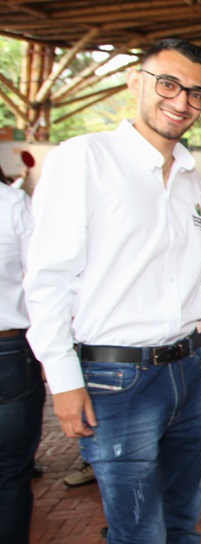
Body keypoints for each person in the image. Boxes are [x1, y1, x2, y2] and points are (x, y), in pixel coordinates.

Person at [24, 38, 201, 544]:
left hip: (189, 372)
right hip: (117, 378)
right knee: (138, 533)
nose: (181, 101)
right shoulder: (84, 158)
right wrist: (62, 378)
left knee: (182, 525)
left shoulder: (190, 176)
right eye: (168, 84)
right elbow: (46, 280)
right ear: (137, 81)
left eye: (197, 93)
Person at [0, 169, 43, 544]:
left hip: (11, 353)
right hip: (9, 350)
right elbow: (40, 280)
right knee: (11, 473)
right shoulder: (11, 202)